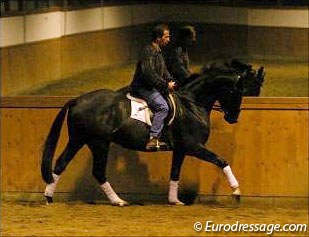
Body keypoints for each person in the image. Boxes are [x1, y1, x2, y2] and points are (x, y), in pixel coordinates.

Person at [130, 24, 176, 151]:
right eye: (166, 37)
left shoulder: (158, 52)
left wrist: (171, 80)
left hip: (153, 87)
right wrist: (165, 85)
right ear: (158, 38)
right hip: (143, 88)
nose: (168, 40)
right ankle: (153, 138)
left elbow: (163, 71)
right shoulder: (148, 51)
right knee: (163, 107)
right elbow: (149, 74)